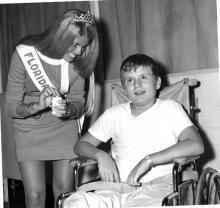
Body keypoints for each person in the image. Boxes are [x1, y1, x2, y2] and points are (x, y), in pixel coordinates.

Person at [64, 54, 204, 207]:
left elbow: (196, 145)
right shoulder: (113, 114)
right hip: (116, 188)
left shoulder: (170, 108)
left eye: (143, 77)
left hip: (158, 188)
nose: (137, 85)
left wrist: (149, 160)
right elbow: (80, 145)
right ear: (124, 88)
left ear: (157, 83)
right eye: (130, 80)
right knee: (74, 202)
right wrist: (101, 156)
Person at [5, 9, 99, 208]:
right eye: (74, 45)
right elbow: (11, 107)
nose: (79, 52)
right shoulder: (24, 53)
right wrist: (36, 106)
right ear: (60, 37)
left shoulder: (79, 61)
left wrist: (69, 110)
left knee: (65, 191)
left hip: (62, 126)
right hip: (28, 126)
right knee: (34, 195)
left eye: (84, 46)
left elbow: (78, 101)